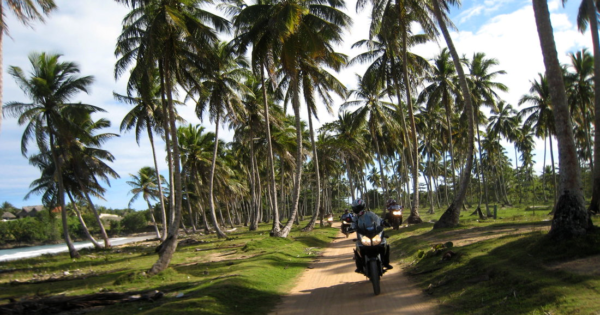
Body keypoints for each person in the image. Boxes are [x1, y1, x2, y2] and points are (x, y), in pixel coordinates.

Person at [350, 198, 393, 273]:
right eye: (354, 208)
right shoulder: (355, 218)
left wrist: (384, 222)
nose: (355, 209)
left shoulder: (370, 214)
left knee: (384, 244)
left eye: (357, 208)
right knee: (358, 249)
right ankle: (359, 266)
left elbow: (378, 219)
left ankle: (386, 263)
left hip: (374, 233)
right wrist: (351, 228)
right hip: (363, 235)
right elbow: (353, 224)